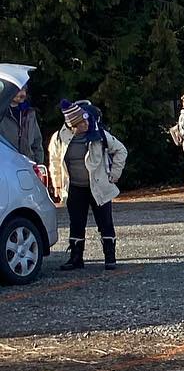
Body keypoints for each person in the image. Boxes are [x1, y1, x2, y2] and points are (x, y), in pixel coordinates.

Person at [47, 99, 127, 271]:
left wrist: (114, 174)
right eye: (81, 122)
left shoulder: (99, 134)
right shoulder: (59, 137)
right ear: (72, 125)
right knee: (76, 222)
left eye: (86, 120)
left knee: (105, 222)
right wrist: (58, 185)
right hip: (74, 186)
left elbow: (121, 150)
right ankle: (76, 257)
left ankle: (110, 256)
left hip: (98, 185)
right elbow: (54, 161)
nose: (85, 124)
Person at [1, 82, 43, 165]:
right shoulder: (2, 114)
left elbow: (37, 142)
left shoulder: (29, 113)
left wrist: (38, 164)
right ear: (8, 91)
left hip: (28, 166)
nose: (23, 93)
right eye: (19, 90)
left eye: (24, 89)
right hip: (6, 166)